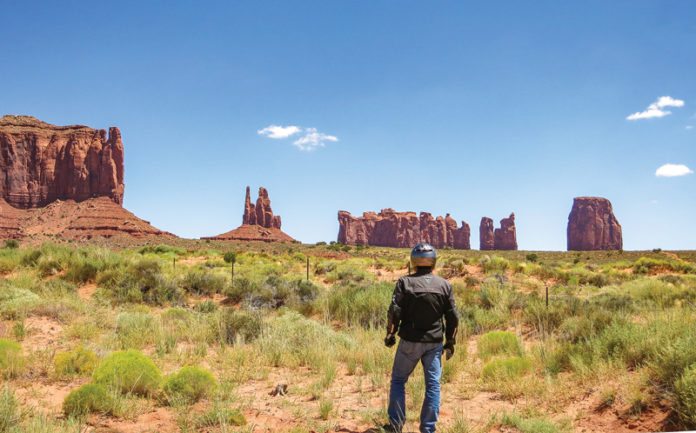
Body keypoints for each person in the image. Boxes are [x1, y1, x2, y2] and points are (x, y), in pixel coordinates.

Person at [383, 243, 459, 433]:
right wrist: (450, 342)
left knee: (399, 381)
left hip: (409, 341)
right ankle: (428, 429)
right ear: (433, 262)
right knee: (433, 386)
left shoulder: (404, 282)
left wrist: (390, 334)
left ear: (413, 261)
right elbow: (453, 318)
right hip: (434, 343)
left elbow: (394, 312)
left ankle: (395, 426)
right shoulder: (444, 285)